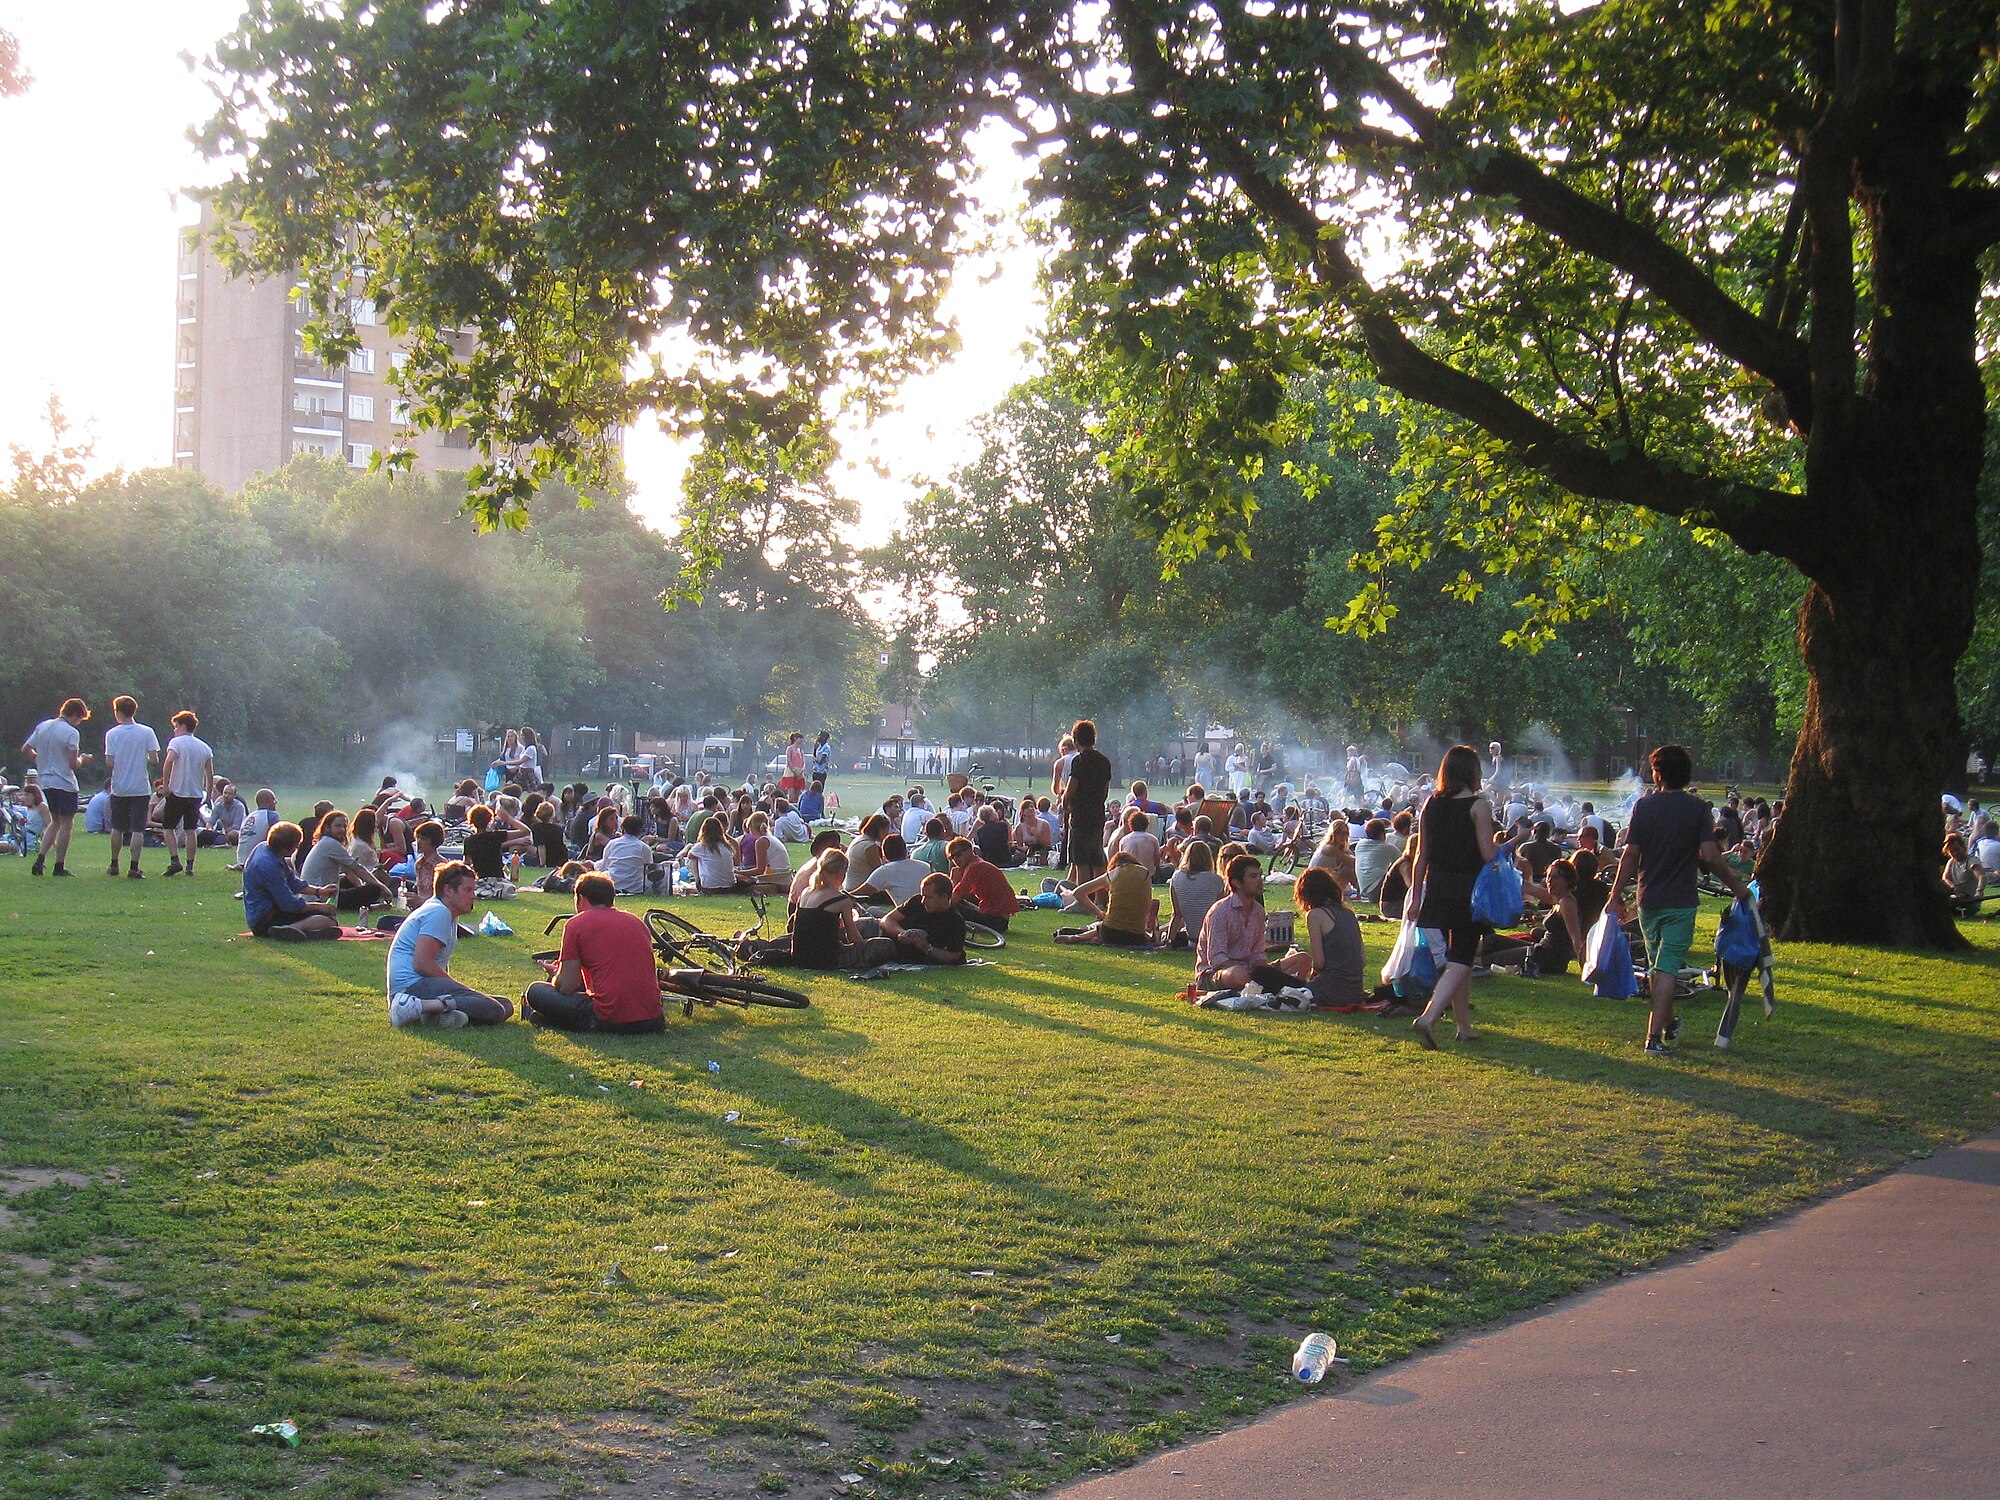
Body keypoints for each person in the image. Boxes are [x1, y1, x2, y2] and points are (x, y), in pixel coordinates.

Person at [1607, 744, 1754, 1055]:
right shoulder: (1698, 809)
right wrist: (1736, 885)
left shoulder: (1643, 808)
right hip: (1681, 899)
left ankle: (1669, 1024)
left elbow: (1631, 855)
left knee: (1660, 968)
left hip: (1648, 899)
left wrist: (1614, 893)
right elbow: (1712, 857)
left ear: (1657, 774)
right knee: (1666, 969)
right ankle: (1653, 1039)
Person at [1408, 745, 1499, 1050]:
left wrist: (1416, 896)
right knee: (1461, 958)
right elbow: (1488, 854)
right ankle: (1429, 1017)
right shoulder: (1479, 806)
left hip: (1437, 886)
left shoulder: (1431, 804)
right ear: (1472, 772)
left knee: (1458, 953)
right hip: (1468, 890)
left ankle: (1463, 1026)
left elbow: (1421, 855)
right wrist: (1511, 843)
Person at [522, 873, 666, 1033]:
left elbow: (567, 987)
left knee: (536, 991)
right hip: (653, 1019)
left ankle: (552, 1019)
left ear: (581, 899)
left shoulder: (576, 924)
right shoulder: (636, 922)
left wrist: (556, 974)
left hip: (608, 1019)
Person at [385, 861, 514, 1028]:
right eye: (467, 890)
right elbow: (422, 963)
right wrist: (456, 987)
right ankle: (413, 1007)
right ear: (448, 890)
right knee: (494, 1009)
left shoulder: (446, 914)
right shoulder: (439, 912)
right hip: (411, 988)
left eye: (473, 890)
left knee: (505, 1005)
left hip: (419, 986)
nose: (473, 895)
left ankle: (434, 1015)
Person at [1481, 857, 1604, 977]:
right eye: (1548, 876)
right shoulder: (1558, 897)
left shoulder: (1567, 903)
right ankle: (1466, 957)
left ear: (1566, 881)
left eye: (1555, 877)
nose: (1549, 881)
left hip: (1548, 959)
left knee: (1491, 957)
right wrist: (1500, 871)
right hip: (1541, 950)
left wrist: (1587, 969)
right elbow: (1528, 887)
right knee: (1493, 940)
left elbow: (1576, 939)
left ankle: (1470, 964)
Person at [1194, 854, 1290, 991]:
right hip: (1217, 973)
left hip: (1251, 970)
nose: (1259, 880)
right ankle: (1274, 986)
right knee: (1238, 975)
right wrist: (1249, 970)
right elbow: (1217, 958)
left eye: (1260, 875)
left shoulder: (1258, 911)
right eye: (1253, 876)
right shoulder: (1220, 911)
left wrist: (1261, 969)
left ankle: (1266, 985)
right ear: (1237, 883)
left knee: (1301, 960)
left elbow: (1259, 952)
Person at [21, 697, 91, 877]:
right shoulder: (71, 732)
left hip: (46, 780)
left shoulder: (43, 726)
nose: (78, 723)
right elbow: (73, 764)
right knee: (67, 823)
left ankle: (41, 859)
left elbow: (26, 749)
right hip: (64, 782)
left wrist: (41, 759)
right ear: (75, 715)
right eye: (80, 719)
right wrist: (83, 759)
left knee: (55, 821)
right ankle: (59, 865)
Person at [1278, 867, 1366, 1005]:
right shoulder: (1349, 914)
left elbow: (1319, 963)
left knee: (1275, 980)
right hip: (1355, 991)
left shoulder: (1315, 915)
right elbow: (1362, 960)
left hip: (1330, 988)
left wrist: (1312, 977)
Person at [243, 822, 341, 939]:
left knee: (323, 916)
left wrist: (319, 891)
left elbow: (293, 882)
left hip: (262, 914)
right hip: (265, 920)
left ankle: (306, 932)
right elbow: (289, 905)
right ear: (287, 849)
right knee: (329, 919)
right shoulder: (269, 866)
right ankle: (292, 928)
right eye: (296, 846)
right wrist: (319, 906)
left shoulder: (264, 848)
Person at [99, 696, 161, 879]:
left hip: (119, 786)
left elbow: (109, 762)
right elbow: (154, 760)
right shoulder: (147, 732)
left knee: (117, 827)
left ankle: (114, 863)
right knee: (137, 828)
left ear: (118, 712)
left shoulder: (112, 734)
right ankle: (134, 867)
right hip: (140, 786)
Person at [157, 709, 215, 877]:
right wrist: (209, 795)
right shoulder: (204, 747)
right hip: (195, 794)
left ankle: (175, 860)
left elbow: (168, 762)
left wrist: (166, 784)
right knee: (191, 829)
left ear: (183, 726)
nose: (174, 730)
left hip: (177, 792)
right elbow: (209, 774)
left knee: (168, 827)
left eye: (175, 726)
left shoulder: (176, 743)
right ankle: (190, 865)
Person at [301, 810, 397, 909]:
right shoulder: (330, 844)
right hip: (319, 897)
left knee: (352, 882)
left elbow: (348, 870)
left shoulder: (325, 842)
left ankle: (368, 905)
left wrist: (361, 886)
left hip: (322, 891)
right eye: (338, 826)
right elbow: (357, 869)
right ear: (327, 828)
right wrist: (382, 886)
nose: (342, 830)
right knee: (374, 888)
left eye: (344, 826)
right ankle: (369, 906)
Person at [1056, 850, 1154, 945]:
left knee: (1105, 926)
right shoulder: (1145, 874)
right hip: (1137, 937)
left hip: (1110, 933)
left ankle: (1078, 937)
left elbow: (1078, 893)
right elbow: (1147, 903)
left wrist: (1099, 912)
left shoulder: (1112, 875)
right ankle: (1078, 936)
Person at [1062, 718, 1114, 885]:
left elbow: (1070, 790)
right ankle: (1099, 898)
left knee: (1081, 861)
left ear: (1076, 740)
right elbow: (1105, 791)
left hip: (1081, 817)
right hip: (1097, 815)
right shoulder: (1104, 761)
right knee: (1098, 859)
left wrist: (1066, 806)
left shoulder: (1079, 760)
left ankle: (1082, 899)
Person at [880, 873, 969, 964]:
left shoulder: (955, 922)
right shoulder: (916, 902)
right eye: (923, 896)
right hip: (883, 938)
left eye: (929, 897)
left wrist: (927, 948)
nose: (923, 901)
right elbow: (887, 919)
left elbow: (954, 955)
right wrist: (901, 933)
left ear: (944, 897)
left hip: (889, 950)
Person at [946, 837, 1020, 931]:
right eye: (951, 857)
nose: (955, 859)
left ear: (969, 850)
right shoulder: (975, 864)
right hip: (997, 916)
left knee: (950, 907)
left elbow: (954, 899)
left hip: (996, 920)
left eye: (958, 854)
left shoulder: (974, 867)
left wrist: (954, 882)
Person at [1167, 840, 1226, 949]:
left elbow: (1177, 914)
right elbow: (1222, 912)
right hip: (1212, 940)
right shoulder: (1216, 880)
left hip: (1192, 939)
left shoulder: (1176, 878)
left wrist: (1169, 942)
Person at [854, 834, 929, 907]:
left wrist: (843, 895)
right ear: (906, 850)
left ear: (884, 856)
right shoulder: (926, 866)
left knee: (872, 910)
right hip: (932, 913)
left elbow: (860, 893)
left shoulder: (885, 871)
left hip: (907, 915)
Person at [600, 813, 661, 895]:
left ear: (623, 828)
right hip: (636, 888)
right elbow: (649, 869)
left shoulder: (612, 844)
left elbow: (604, 866)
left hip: (614, 885)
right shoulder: (644, 847)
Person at [735, 810, 792, 893]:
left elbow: (759, 870)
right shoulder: (770, 838)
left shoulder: (761, 841)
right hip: (783, 874)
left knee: (738, 877)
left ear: (752, 827)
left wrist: (739, 872)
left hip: (776, 876)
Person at [686, 813, 742, 894]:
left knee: (694, 859)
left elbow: (690, 855)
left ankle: (698, 882)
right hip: (730, 886)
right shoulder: (727, 846)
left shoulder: (701, 846)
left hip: (710, 888)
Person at [233, 788, 282, 870]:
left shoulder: (249, 816)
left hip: (241, 859)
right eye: (273, 800)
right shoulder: (272, 815)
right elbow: (275, 839)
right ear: (267, 802)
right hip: (257, 860)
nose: (275, 802)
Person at [843, 814, 891, 892]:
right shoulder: (869, 846)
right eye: (886, 830)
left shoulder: (859, 839)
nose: (887, 834)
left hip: (850, 885)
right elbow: (879, 872)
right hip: (860, 889)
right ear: (880, 830)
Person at [1942, 833, 1985, 917]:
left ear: (1963, 847)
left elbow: (1982, 877)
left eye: (1957, 849)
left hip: (1969, 900)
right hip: (1956, 897)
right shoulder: (1951, 862)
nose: (1955, 853)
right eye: (1951, 851)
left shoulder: (1972, 861)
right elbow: (1945, 878)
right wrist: (1953, 886)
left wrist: (1979, 892)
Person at [1354, 818, 1397, 901]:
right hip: (1379, 890)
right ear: (1382, 834)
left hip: (1367, 892)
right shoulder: (1388, 848)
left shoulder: (1359, 845)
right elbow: (1404, 862)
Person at [781, 731, 808, 800]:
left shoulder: (801, 750)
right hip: (791, 773)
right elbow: (789, 761)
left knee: (797, 796)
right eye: (800, 738)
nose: (801, 740)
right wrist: (794, 770)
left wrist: (801, 771)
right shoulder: (790, 748)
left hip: (799, 773)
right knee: (792, 796)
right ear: (795, 738)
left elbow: (803, 762)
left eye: (802, 739)